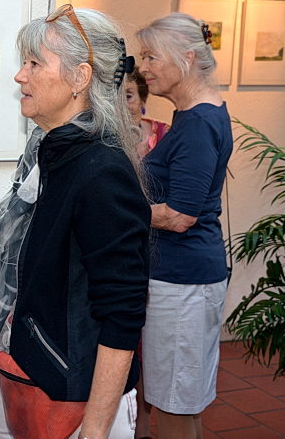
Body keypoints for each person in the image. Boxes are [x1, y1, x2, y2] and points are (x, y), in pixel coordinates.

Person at [0, 5, 150, 439]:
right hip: (32, 367)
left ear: (80, 78)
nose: (20, 76)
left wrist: (95, 429)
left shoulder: (101, 170)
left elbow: (123, 314)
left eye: (35, 64)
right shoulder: (52, 153)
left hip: (76, 398)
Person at [137, 13, 232, 439]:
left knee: (174, 405)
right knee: (181, 400)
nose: (144, 67)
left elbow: (179, 215)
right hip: (184, 278)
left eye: (151, 57)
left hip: (183, 281)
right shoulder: (195, 115)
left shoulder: (197, 123)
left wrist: (118, 209)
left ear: (187, 58)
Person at [123, 67, 169, 439]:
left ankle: (149, 421)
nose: (123, 103)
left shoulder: (164, 136)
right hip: (125, 250)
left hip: (162, 249)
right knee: (129, 340)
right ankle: (135, 425)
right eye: (117, 95)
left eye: (129, 96)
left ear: (142, 100)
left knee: (156, 343)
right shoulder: (104, 138)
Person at [124, 67, 169, 159]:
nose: (121, 105)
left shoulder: (164, 134)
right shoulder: (100, 137)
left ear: (142, 101)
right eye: (114, 97)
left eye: (128, 96)